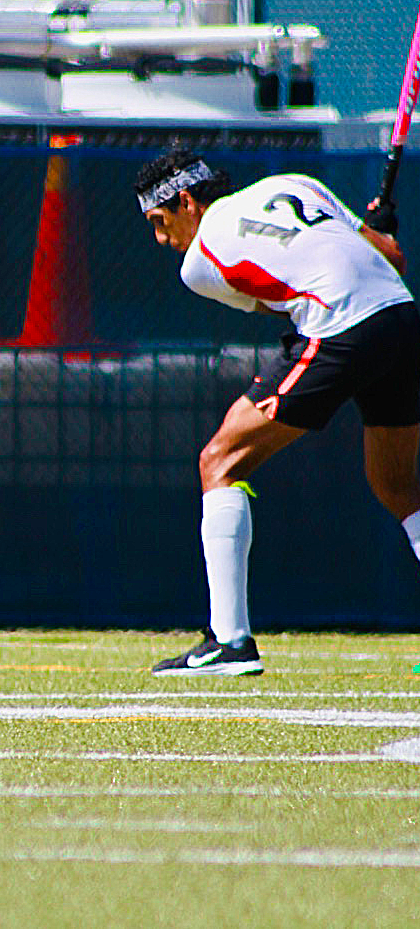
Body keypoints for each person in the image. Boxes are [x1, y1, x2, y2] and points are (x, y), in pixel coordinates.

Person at [135, 146, 420, 675]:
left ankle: (229, 642)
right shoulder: (295, 182)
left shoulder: (199, 264)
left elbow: (277, 299)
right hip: (402, 319)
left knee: (220, 461)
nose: (161, 239)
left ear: (187, 202)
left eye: (160, 221)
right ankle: (228, 641)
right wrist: (381, 228)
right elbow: (391, 259)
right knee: (398, 488)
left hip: (341, 326)